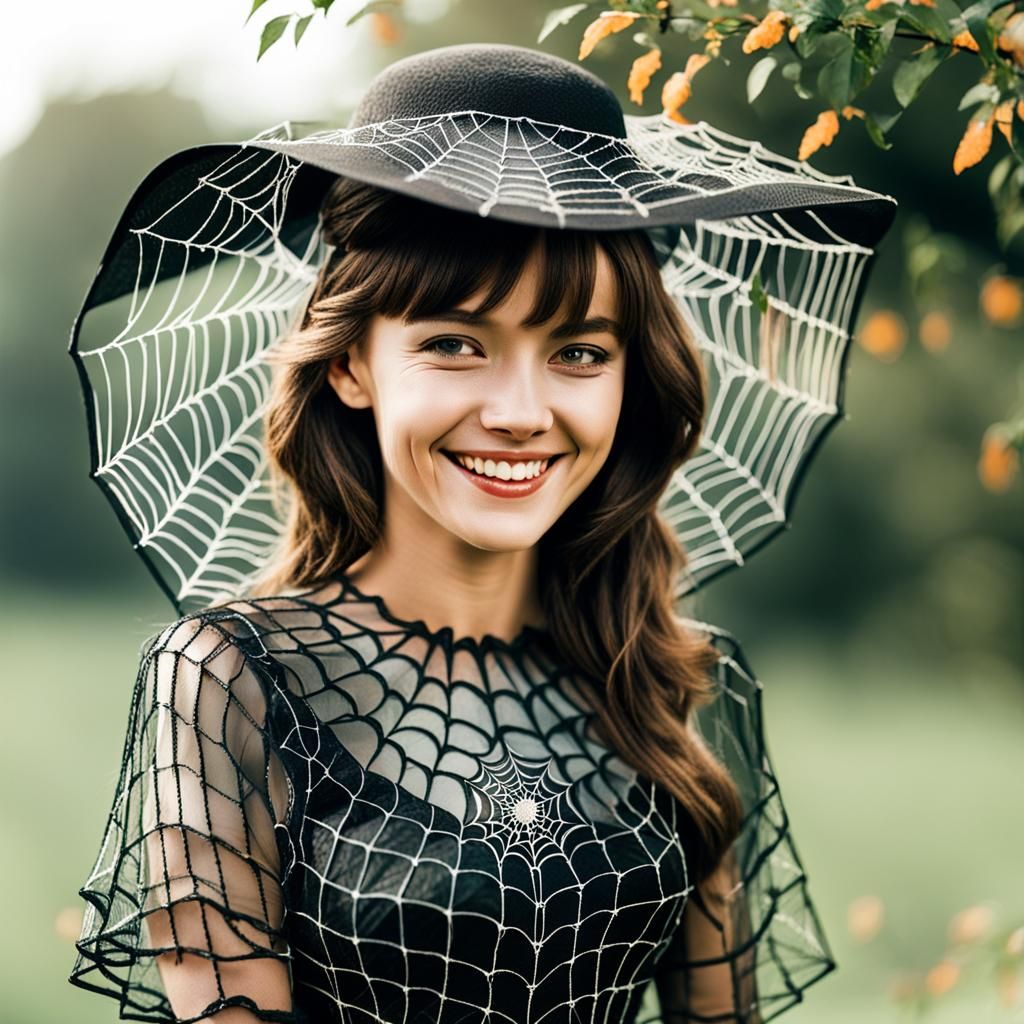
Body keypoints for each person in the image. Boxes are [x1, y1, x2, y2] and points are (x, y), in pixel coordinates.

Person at [67, 41, 895, 1024]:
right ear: (350, 365)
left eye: (579, 352)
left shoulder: (679, 683)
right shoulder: (232, 679)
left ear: (632, 379)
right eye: (456, 344)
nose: (520, 410)